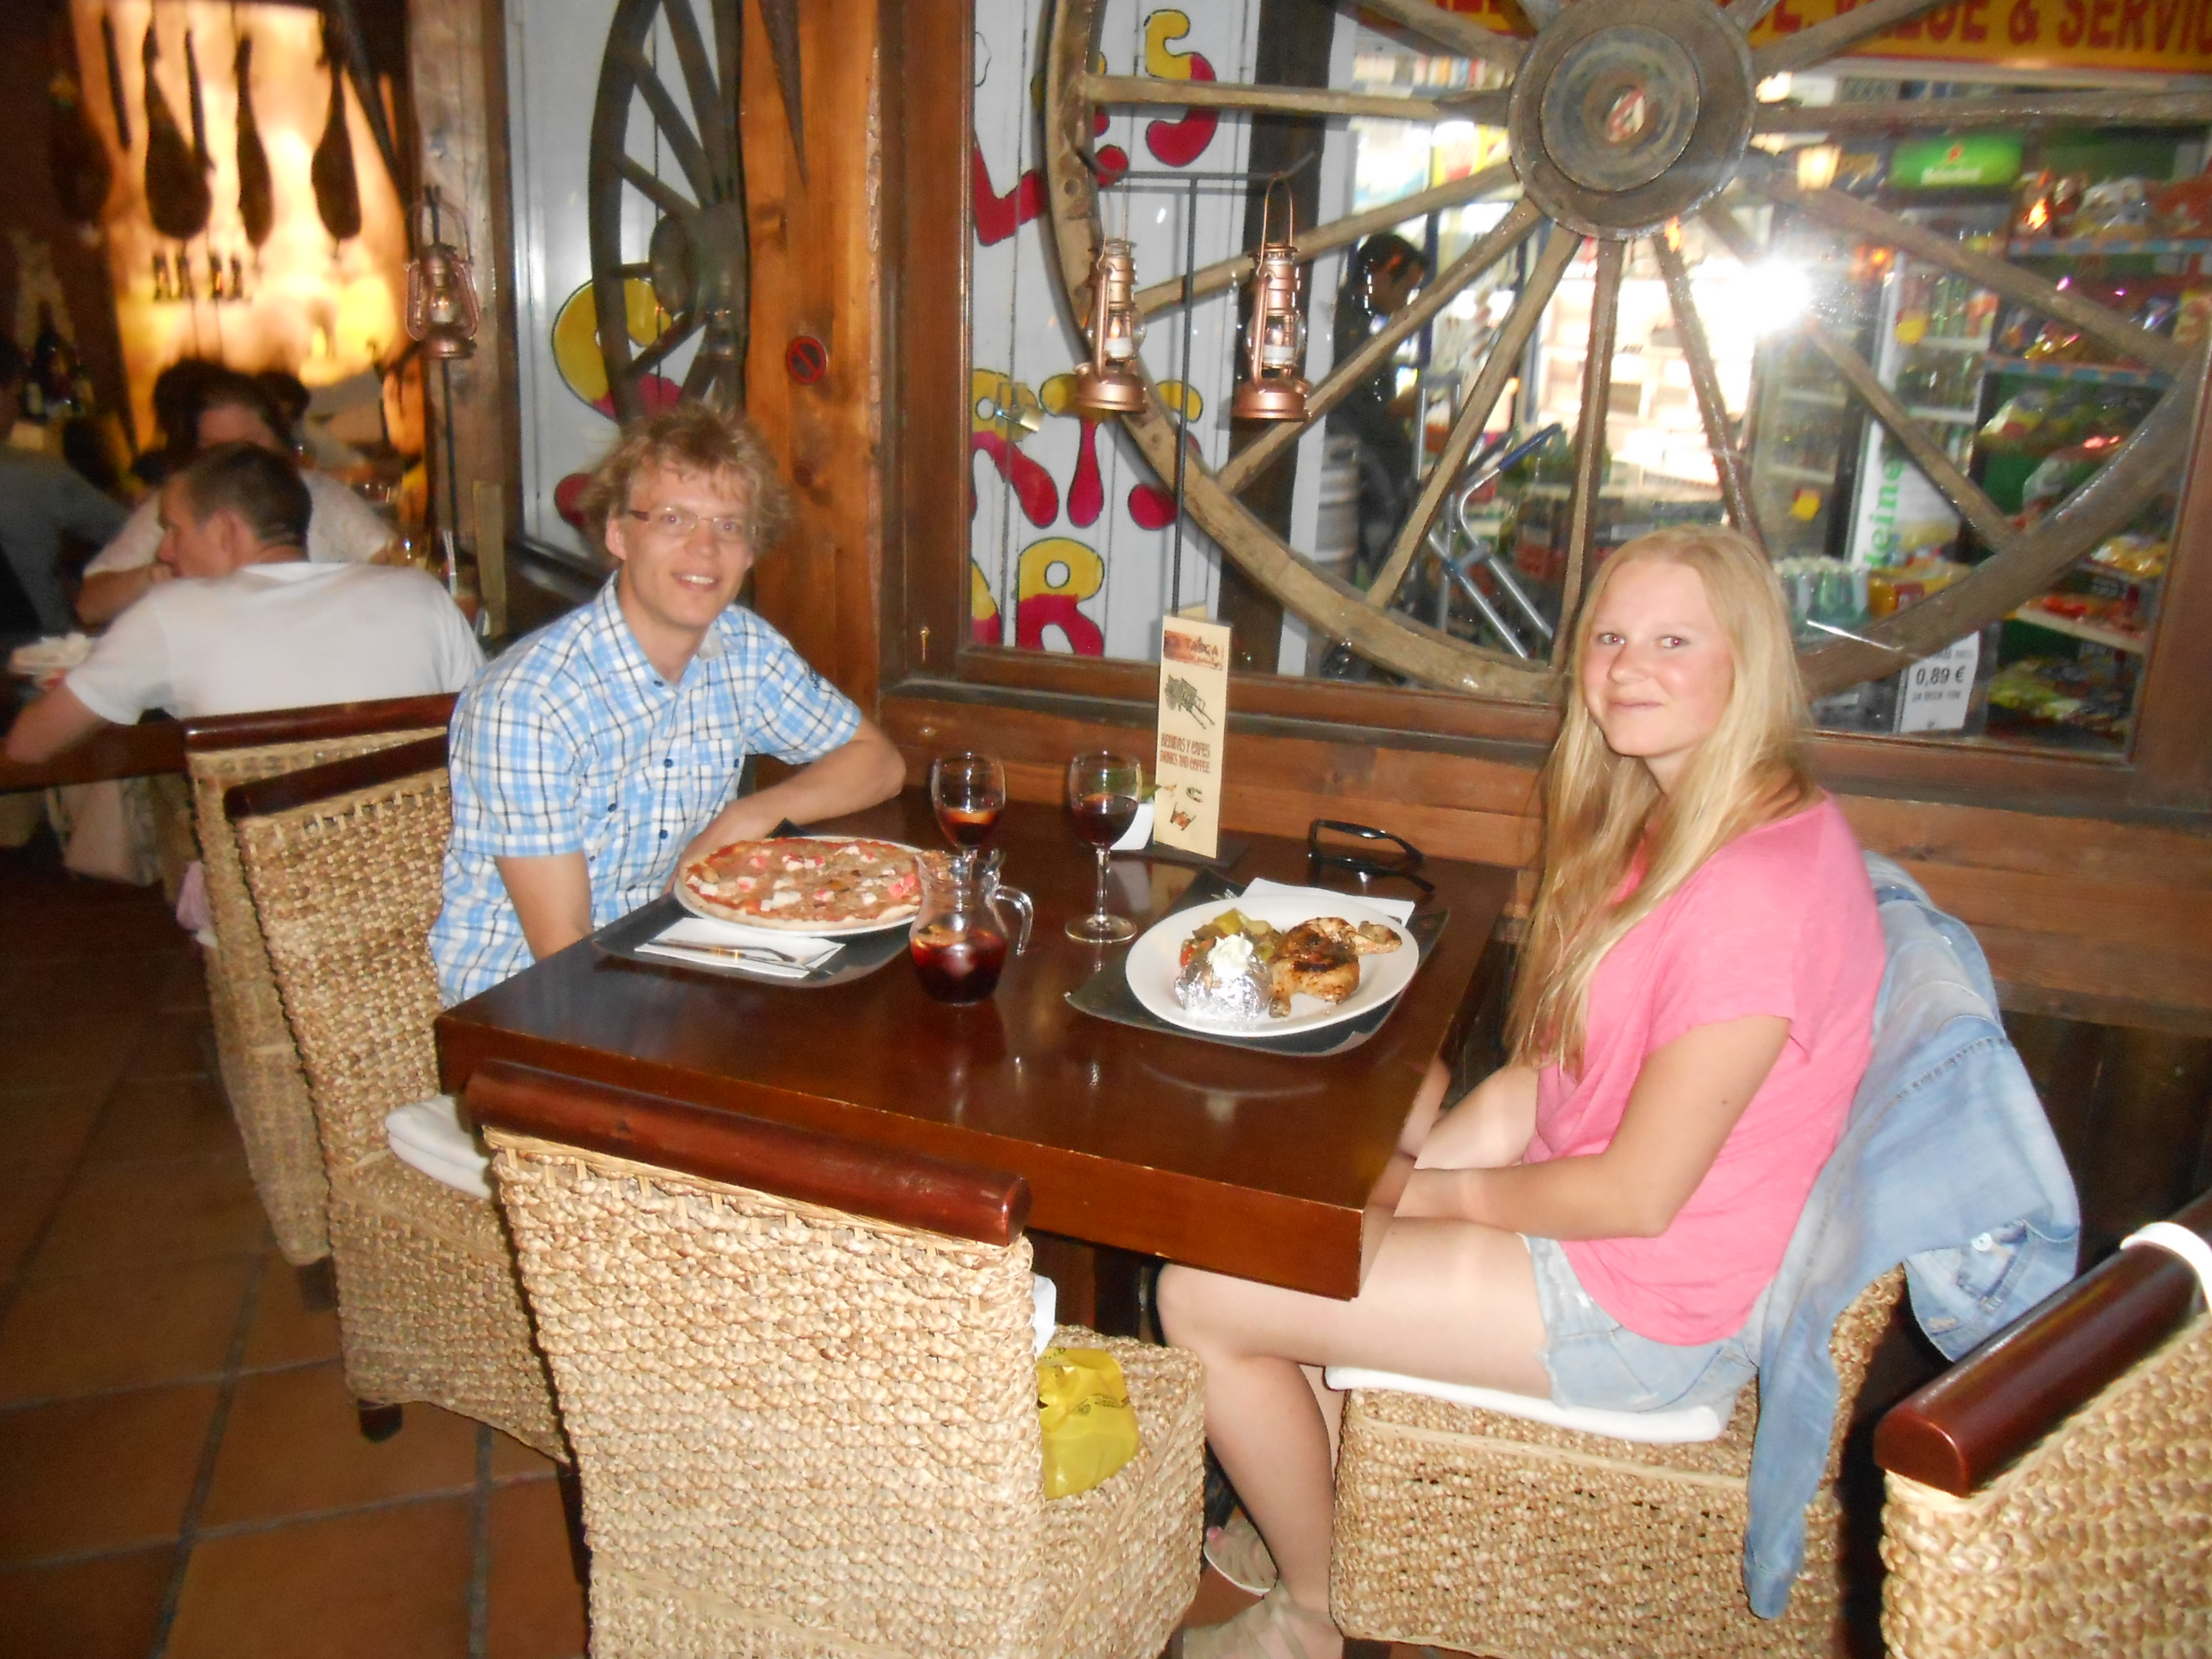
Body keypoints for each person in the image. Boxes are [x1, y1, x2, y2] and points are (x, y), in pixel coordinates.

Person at [1158, 525, 1885, 1659]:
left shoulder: (1752, 894)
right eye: (1609, 637)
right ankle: (1350, 1546)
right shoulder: (1700, 815)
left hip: (1638, 1302)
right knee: (1299, 1214)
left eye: (1672, 641)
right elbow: (1551, 1076)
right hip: (1608, 1244)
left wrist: (1421, 1195)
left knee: (1202, 1295)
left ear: (1747, 663)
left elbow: (1635, 1195)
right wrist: (1386, 1184)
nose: (1627, 668)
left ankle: (1313, 1612)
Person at [429, 403, 905, 1005]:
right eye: (674, 519)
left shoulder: (744, 649)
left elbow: (879, 762)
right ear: (618, 534)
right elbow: (563, 948)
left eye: (729, 526)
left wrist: (749, 817)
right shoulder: (529, 702)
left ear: (751, 551)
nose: (705, 549)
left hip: (670, 963)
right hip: (530, 1006)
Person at [5, 443, 480, 765]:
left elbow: (29, 745)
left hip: (264, 879)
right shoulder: (419, 593)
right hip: (422, 870)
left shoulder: (172, 614)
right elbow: (487, 735)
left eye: (174, 530)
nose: (165, 551)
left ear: (225, 530)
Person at [77, 369, 398, 625]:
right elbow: (89, 606)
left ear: (279, 437)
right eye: (219, 449)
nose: (239, 461)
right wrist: (157, 573)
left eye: (249, 443)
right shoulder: (175, 506)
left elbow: (394, 567)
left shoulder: (322, 495)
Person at [0, 337, 128, 636]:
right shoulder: (35, 473)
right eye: (15, 394)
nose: (18, 408)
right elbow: (128, 534)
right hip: (35, 649)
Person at [1326, 234, 1429, 588]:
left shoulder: (1353, 322)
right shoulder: (1348, 328)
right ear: (1382, 279)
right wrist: (1397, 410)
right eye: (1406, 290)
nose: (1404, 302)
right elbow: (1356, 408)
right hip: (1364, 468)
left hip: (1359, 468)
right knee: (1389, 562)